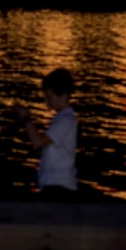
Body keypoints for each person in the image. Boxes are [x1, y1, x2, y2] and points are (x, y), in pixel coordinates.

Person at [16, 67, 78, 199]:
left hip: (59, 187)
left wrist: (26, 119)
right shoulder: (61, 118)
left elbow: (38, 142)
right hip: (54, 185)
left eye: (49, 97)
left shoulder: (66, 122)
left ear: (63, 95)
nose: (47, 102)